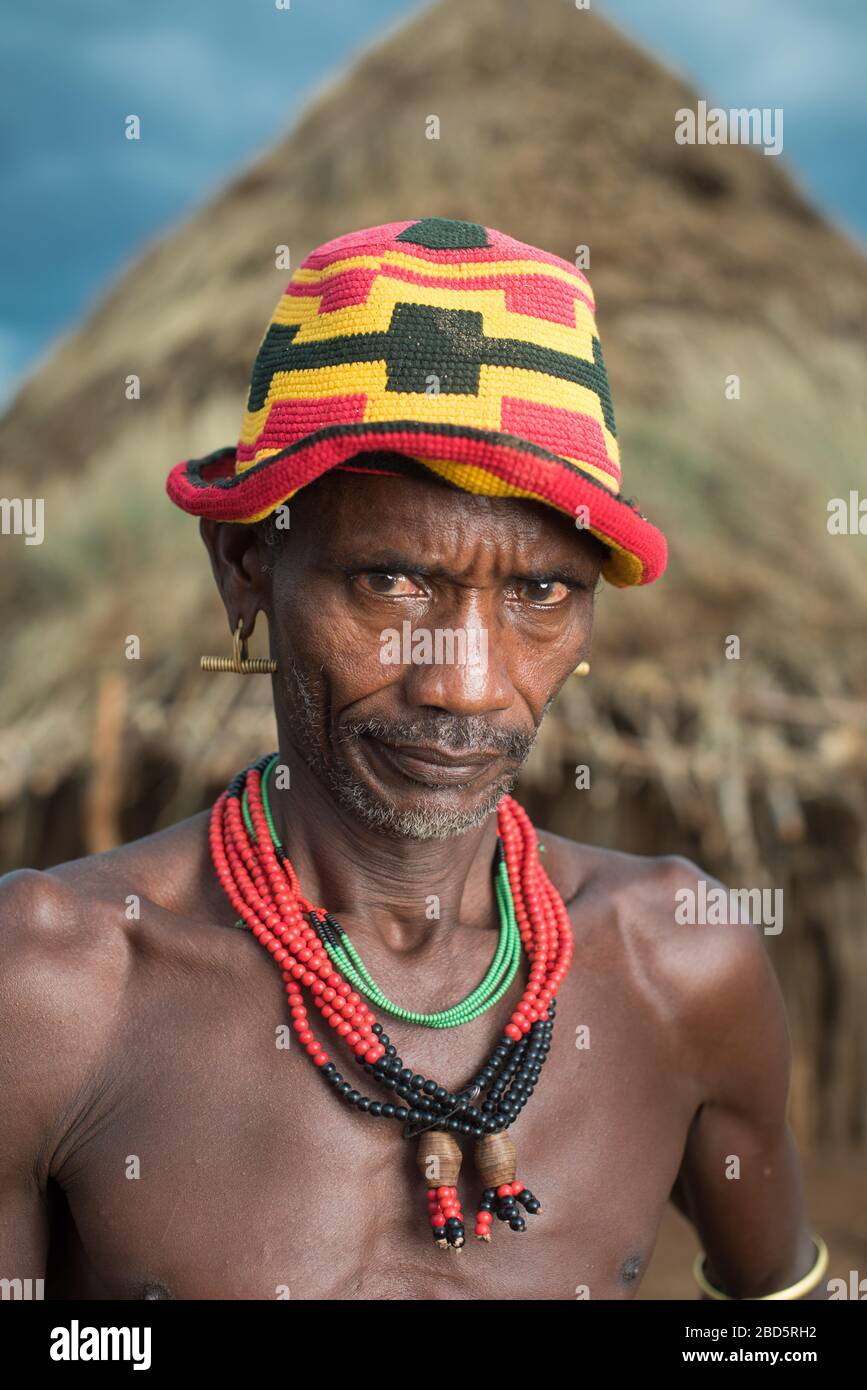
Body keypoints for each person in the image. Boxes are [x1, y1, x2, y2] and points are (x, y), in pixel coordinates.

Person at [0, 218, 826, 1300]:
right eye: (391, 582)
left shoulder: (681, 965)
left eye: (540, 594)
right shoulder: (53, 990)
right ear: (248, 564)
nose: (467, 684)